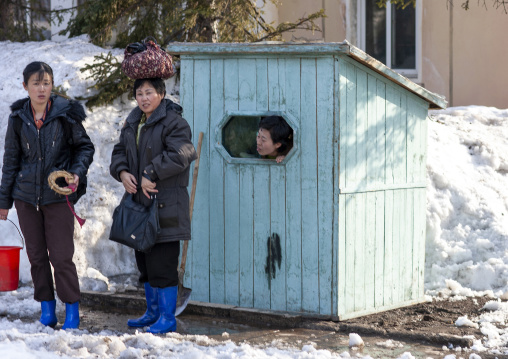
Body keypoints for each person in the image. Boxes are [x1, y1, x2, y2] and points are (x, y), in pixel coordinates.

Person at [0, 61, 95, 329]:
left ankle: (72, 311)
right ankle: (47, 310)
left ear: (52, 85)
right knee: (37, 256)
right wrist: (4, 201)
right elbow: (11, 161)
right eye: (36, 83)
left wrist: (75, 172)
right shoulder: (18, 118)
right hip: (26, 197)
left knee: (62, 255)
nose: (41, 89)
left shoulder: (66, 114)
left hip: (57, 196)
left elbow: (84, 148)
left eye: (46, 83)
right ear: (25, 86)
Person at [110, 77, 197, 334]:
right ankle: (152, 312)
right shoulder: (133, 122)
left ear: (161, 93)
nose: (144, 98)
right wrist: (123, 172)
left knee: (164, 265)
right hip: (140, 207)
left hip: (166, 205)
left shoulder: (174, 122)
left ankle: (167, 317)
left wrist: (150, 172)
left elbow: (183, 153)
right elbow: (119, 152)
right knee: (145, 265)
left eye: (149, 92)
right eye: (139, 93)